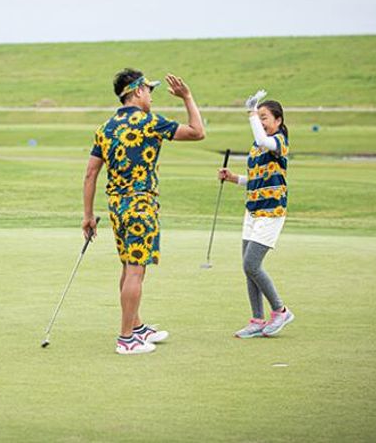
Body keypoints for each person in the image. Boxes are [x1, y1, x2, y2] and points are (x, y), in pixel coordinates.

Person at [83, 69, 205, 355]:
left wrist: (88, 216)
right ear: (137, 91)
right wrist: (187, 97)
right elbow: (198, 132)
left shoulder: (106, 128)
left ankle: (135, 326)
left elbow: (90, 174)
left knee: (129, 267)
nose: (151, 95)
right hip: (141, 205)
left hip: (117, 207)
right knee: (136, 272)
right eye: (149, 90)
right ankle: (126, 339)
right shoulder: (150, 122)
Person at [218, 91, 294, 338]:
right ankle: (257, 320)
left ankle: (280, 310)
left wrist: (251, 112)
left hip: (271, 213)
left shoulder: (278, 142)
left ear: (278, 121)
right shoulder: (258, 146)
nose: (261, 121)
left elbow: (263, 140)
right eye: (258, 117)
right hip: (252, 211)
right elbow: (255, 179)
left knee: (251, 264)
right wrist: (233, 179)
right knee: (248, 267)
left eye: (265, 117)